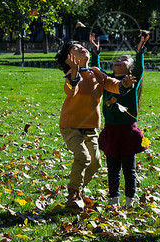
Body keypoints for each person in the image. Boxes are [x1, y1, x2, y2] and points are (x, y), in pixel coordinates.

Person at [55, 38, 135, 214]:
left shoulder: (96, 72)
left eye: (82, 46)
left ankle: (76, 191)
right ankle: (74, 194)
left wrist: (124, 85)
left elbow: (112, 85)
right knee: (83, 157)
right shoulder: (71, 75)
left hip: (90, 129)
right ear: (69, 57)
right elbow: (71, 90)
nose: (82, 48)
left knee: (96, 163)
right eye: (76, 48)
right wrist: (75, 71)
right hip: (70, 126)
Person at [95, 32, 150, 209]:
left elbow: (140, 70)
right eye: (117, 59)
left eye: (124, 60)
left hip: (127, 132)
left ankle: (130, 200)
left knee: (129, 169)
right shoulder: (108, 82)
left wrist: (139, 53)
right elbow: (97, 72)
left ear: (130, 70)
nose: (118, 60)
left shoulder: (131, 81)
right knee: (112, 169)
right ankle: (113, 199)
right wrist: (95, 54)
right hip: (111, 132)